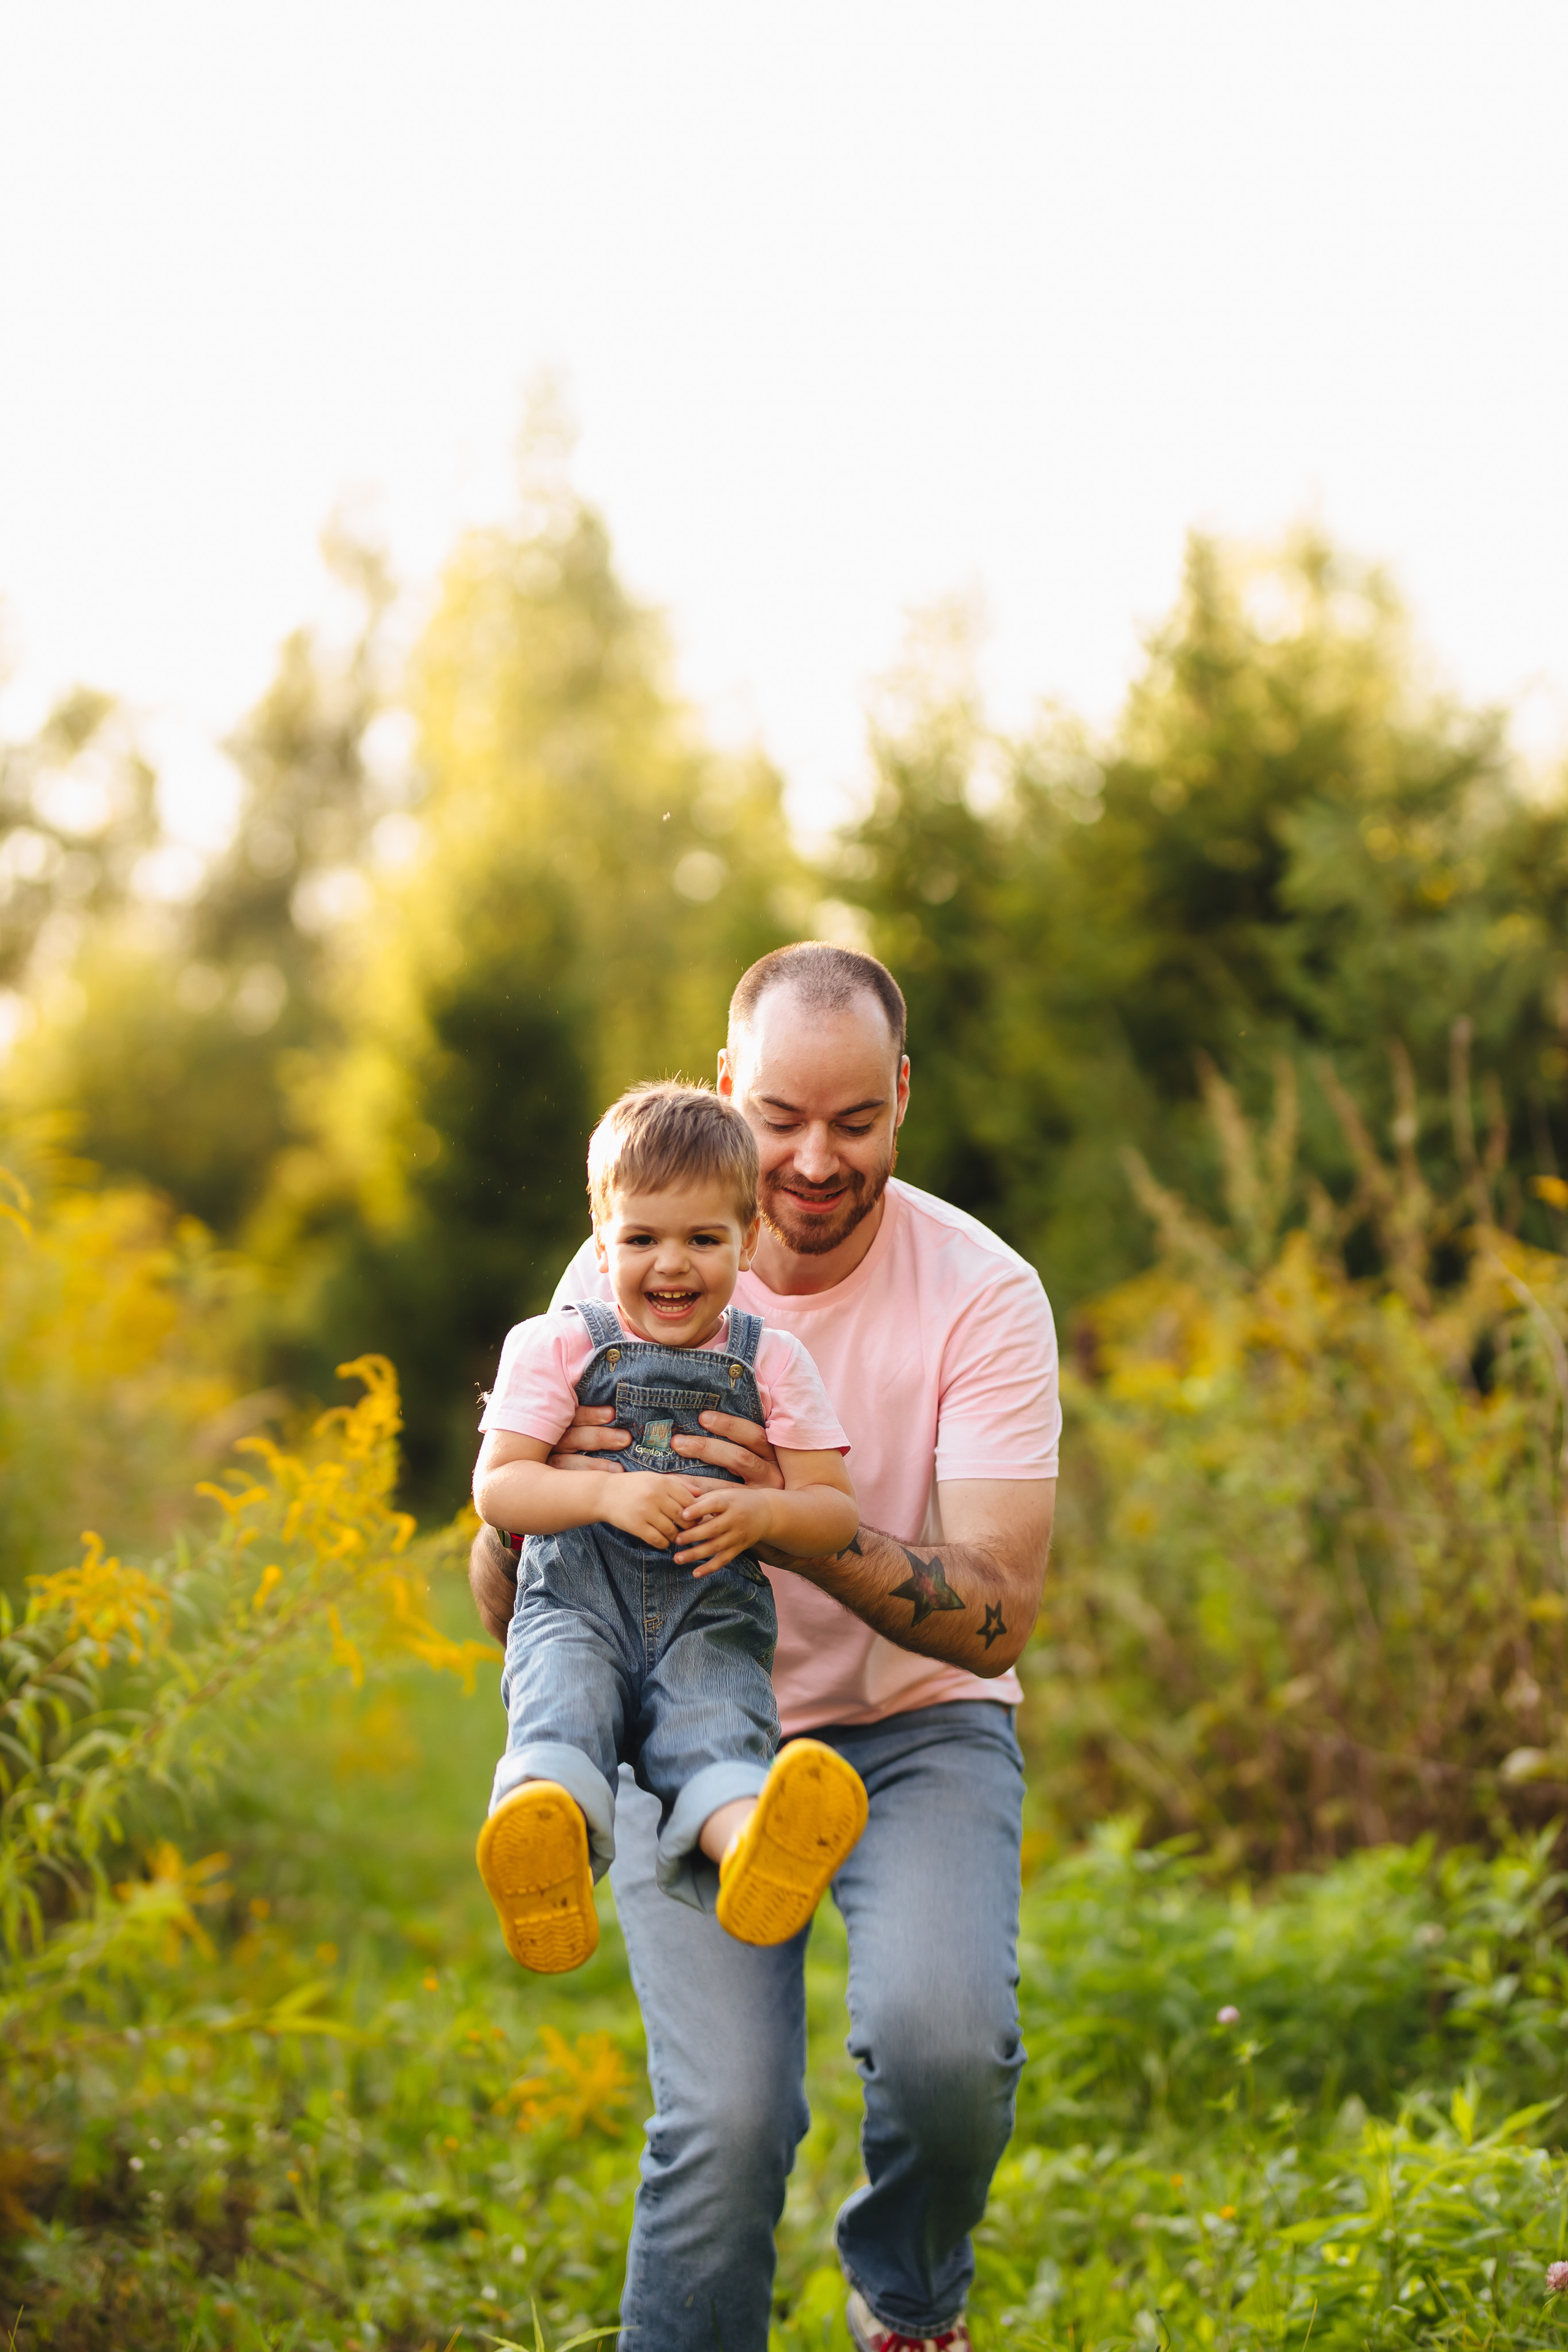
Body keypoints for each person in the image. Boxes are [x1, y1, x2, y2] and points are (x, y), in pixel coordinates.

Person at [470, 943, 1060, 2352]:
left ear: (902, 1100)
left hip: (915, 1723)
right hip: (679, 1715)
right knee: (726, 2121)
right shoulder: (618, 1267)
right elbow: (501, 1564)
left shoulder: (980, 1293)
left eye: (853, 1122)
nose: (810, 1159)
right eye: (781, 1117)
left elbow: (1001, 1602)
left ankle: (907, 2301)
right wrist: (553, 1513)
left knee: (941, 2055)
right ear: (726, 1092)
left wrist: (792, 1524)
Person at [473, 1080, 867, 1972]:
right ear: (601, 1237)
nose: (672, 1266)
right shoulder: (557, 1342)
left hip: (708, 1613)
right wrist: (605, 1496)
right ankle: (544, 1849)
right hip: (579, 1603)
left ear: (749, 1241)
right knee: (562, 1708)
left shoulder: (772, 1360)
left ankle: (754, 1848)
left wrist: (766, 1511)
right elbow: (499, 1489)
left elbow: (833, 1511)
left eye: (703, 1240)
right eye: (642, 1239)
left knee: (715, 1727)